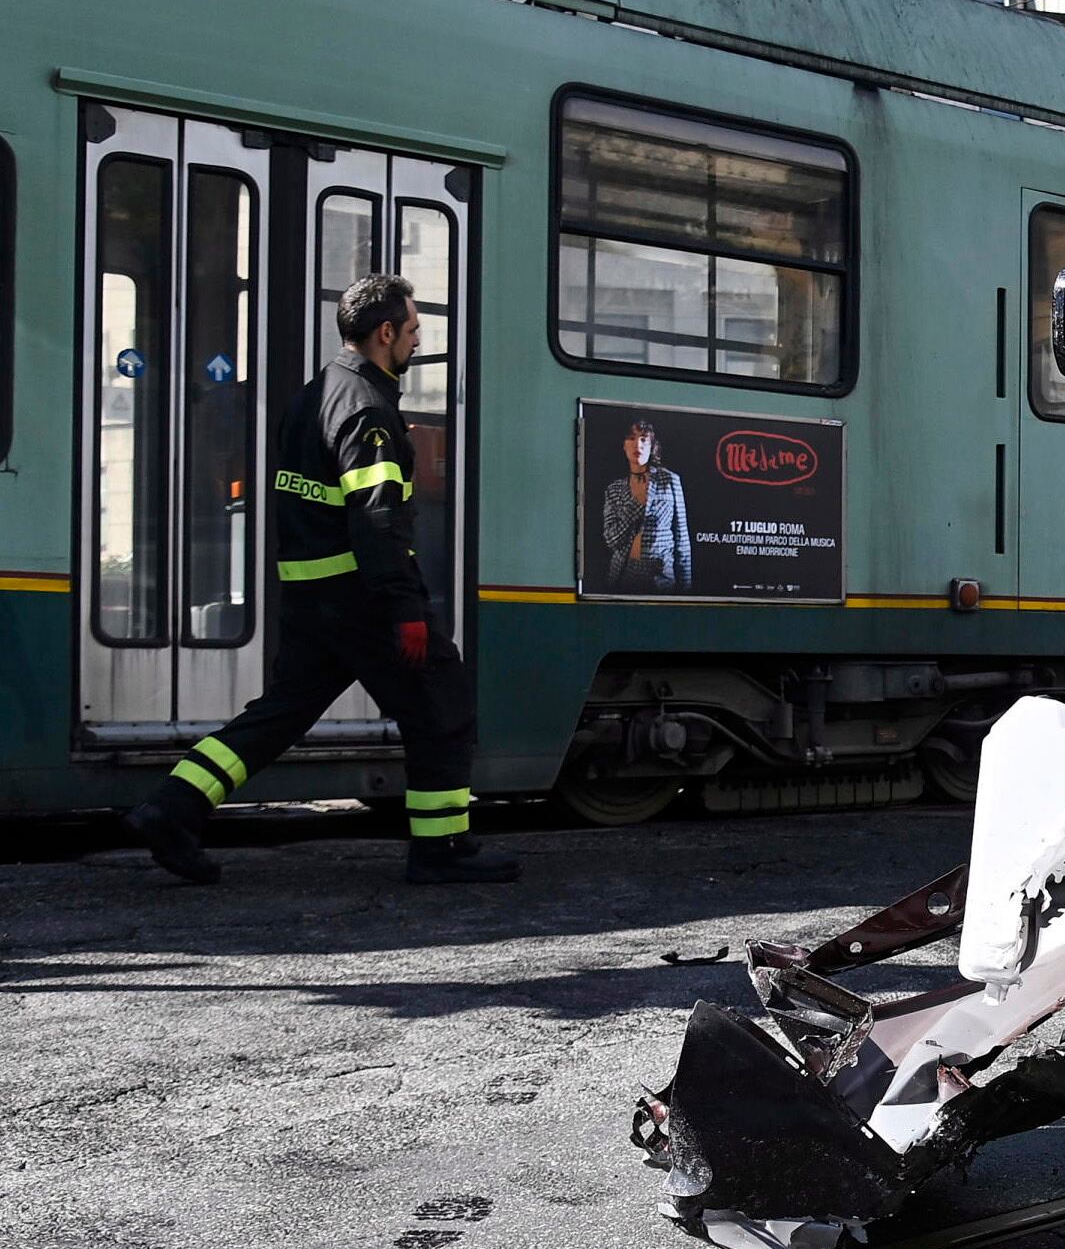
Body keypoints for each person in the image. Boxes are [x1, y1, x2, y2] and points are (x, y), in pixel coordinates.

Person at [125, 274, 520, 887]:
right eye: (413, 329)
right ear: (385, 333)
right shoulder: (367, 409)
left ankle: (172, 807)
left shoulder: (315, 394)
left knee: (282, 713)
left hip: (311, 596)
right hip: (363, 597)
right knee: (443, 706)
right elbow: (378, 517)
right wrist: (404, 608)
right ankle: (441, 848)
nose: (418, 341)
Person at [598, 417, 692, 594]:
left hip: (661, 578)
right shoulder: (614, 489)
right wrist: (636, 503)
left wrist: (686, 591)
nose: (638, 445)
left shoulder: (669, 480)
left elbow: (682, 540)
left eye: (643, 439)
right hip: (623, 577)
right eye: (631, 438)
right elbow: (611, 540)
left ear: (652, 444)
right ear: (624, 445)